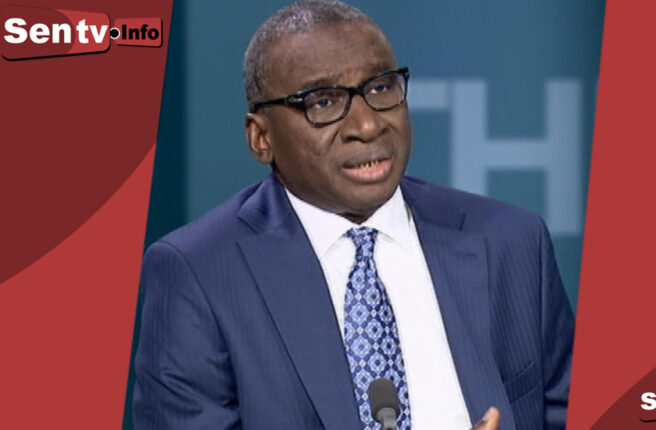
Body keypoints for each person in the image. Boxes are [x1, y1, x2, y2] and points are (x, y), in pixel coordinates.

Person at [133, 1, 574, 429]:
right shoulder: (200, 272)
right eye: (322, 102)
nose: (367, 125)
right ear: (261, 138)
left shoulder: (510, 241)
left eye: (380, 88)